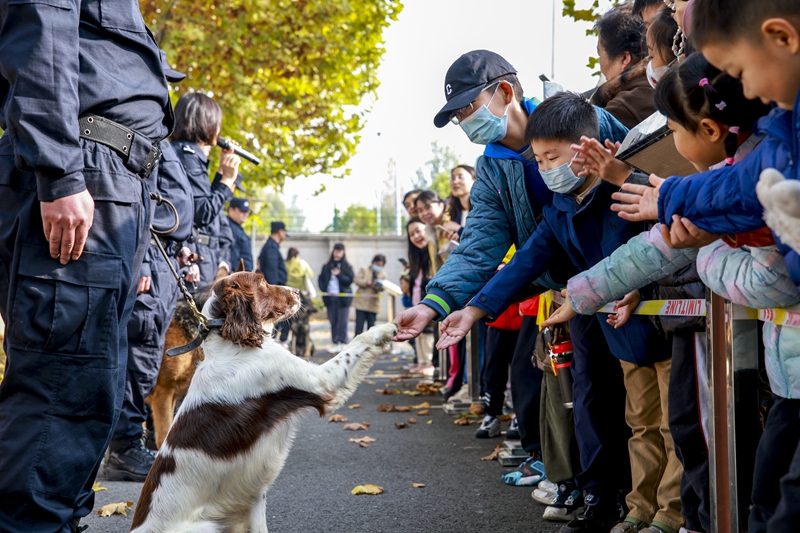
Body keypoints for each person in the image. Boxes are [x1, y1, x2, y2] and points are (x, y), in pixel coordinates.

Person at [394, 50, 628, 498]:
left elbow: (637, 174)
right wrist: (434, 304)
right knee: (584, 394)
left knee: (637, 399)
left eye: (468, 108)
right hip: (565, 294)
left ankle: (641, 500)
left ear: (505, 92)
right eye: (458, 116)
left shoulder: (583, 118)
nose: (466, 122)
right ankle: (593, 492)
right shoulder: (492, 167)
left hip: (627, 279)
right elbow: (484, 243)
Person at [554, 53, 773, 533]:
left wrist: (706, 249)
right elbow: (656, 247)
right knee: (697, 438)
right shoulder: (719, 184)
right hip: (748, 353)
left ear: (711, 129)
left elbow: (767, 278)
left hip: (735, 348)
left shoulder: (758, 183)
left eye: (671, 130)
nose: (668, 143)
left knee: (727, 454)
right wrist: (586, 291)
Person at [437, 92, 674, 533]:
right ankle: (624, 504)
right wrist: (472, 311)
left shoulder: (630, 184)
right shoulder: (558, 207)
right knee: (620, 414)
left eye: (551, 158)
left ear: (586, 146)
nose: (545, 170)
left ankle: (671, 512)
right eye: (539, 161)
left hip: (654, 318)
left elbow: (659, 243)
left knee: (670, 423)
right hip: (597, 317)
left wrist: (637, 287)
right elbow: (526, 260)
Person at [0, 2, 173, 530]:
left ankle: (55, 519)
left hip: (109, 178)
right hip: (84, 167)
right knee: (62, 383)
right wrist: (59, 172)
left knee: (91, 385)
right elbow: (43, 25)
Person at [101, 56, 195, 484]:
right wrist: (140, 256)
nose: (164, 89)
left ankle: (126, 442)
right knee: (138, 358)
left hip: (160, 259)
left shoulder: (155, 129)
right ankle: (123, 446)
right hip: (145, 258)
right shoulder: (133, 126)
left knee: (142, 359)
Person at [172, 93, 241, 288]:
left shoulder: (182, 152)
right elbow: (203, 212)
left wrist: (220, 173)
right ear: (207, 122)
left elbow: (200, 202)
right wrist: (227, 180)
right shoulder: (189, 156)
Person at [590, 3, 657, 129]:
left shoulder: (624, 106)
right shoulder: (662, 84)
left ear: (625, 58)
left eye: (600, 54)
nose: (600, 65)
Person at [404, 219, 435, 375]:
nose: (416, 236)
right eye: (411, 234)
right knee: (419, 333)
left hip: (431, 302)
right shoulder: (416, 257)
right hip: (417, 302)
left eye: (418, 231)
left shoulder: (433, 253)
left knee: (429, 332)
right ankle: (422, 362)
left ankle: (430, 363)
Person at [319, 243, 354, 351]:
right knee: (333, 320)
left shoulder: (347, 267)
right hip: (330, 297)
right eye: (336, 250)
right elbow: (320, 279)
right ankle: (335, 342)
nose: (338, 252)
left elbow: (349, 280)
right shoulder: (326, 266)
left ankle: (342, 342)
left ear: (343, 252)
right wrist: (324, 289)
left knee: (342, 321)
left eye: (340, 250)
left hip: (343, 298)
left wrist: (339, 275)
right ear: (333, 251)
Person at [258, 221, 290, 342]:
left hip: (273, 290)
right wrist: (276, 294)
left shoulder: (270, 246)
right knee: (272, 326)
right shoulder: (271, 247)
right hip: (274, 292)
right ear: (280, 232)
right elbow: (272, 272)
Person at [353, 254, 387, 335]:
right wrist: (366, 282)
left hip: (373, 304)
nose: (378, 266)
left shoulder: (383, 275)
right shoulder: (364, 269)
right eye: (377, 264)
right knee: (359, 328)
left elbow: (382, 288)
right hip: (361, 303)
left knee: (371, 329)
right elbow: (356, 280)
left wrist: (376, 284)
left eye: (380, 265)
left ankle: (369, 347)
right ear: (373, 262)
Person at [227, 198, 253, 272]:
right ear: (231, 210)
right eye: (242, 211)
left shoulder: (238, 228)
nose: (246, 214)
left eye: (247, 212)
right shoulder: (227, 227)